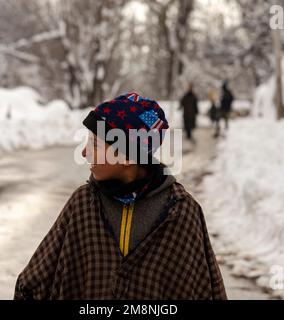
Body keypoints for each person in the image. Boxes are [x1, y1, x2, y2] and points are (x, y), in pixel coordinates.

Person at [14, 92, 226, 300]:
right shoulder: (83, 204)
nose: (84, 153)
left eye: (94, 144)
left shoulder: (181, 212)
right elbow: (33, 284)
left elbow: (207, 289)